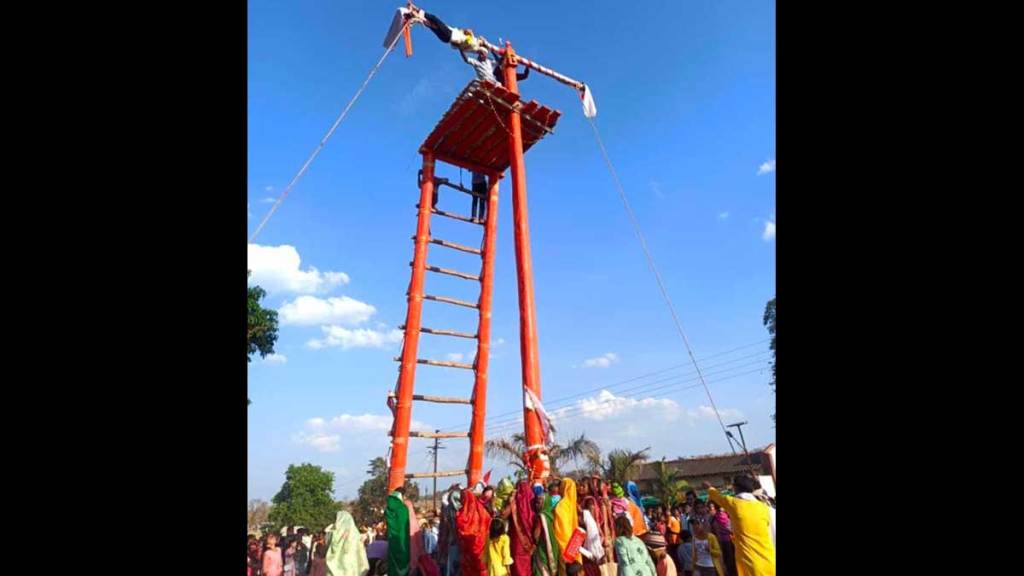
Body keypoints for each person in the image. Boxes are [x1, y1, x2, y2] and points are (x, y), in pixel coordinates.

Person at [702, 480, 773, 576]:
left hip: (749, 561)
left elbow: (717, 496)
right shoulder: (763, 507)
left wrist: (709, 487)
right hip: (769, 558)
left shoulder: (734, 504)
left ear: (736, 488)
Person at [325, 510, 370, 576]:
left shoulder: (334, 532)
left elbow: (329, 543)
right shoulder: (355, 533)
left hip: (337, 566)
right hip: (352, 566)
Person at [508, 481, 535, 576]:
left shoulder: (515, 501)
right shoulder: (534, 501)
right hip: (530, 539)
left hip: (517, 539)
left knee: (518, 564)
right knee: (528, 565)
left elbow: (504, 514)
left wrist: (511, 499)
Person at [532, 493, 560, 576]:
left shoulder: (540, 516)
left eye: (539, 502)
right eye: (536, 503)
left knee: (542, 569)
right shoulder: (551, 514)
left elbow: (536, 535)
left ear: (545, 503)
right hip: (553, 544)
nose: (537, 505)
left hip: (542, 547)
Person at [386, 487, 412, 576]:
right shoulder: (402, 509)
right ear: (401, 495)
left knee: (393, 566)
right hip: (402, 542)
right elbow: (405, 526)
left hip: (392, 541)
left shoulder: (388, 508)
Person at [706, 504, 734, 576]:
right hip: (726, 540)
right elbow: (730, 529)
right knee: (728, 561)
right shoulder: (722, 515)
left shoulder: (712, 517)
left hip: (718, 541)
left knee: (722, 561)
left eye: (711, 508)